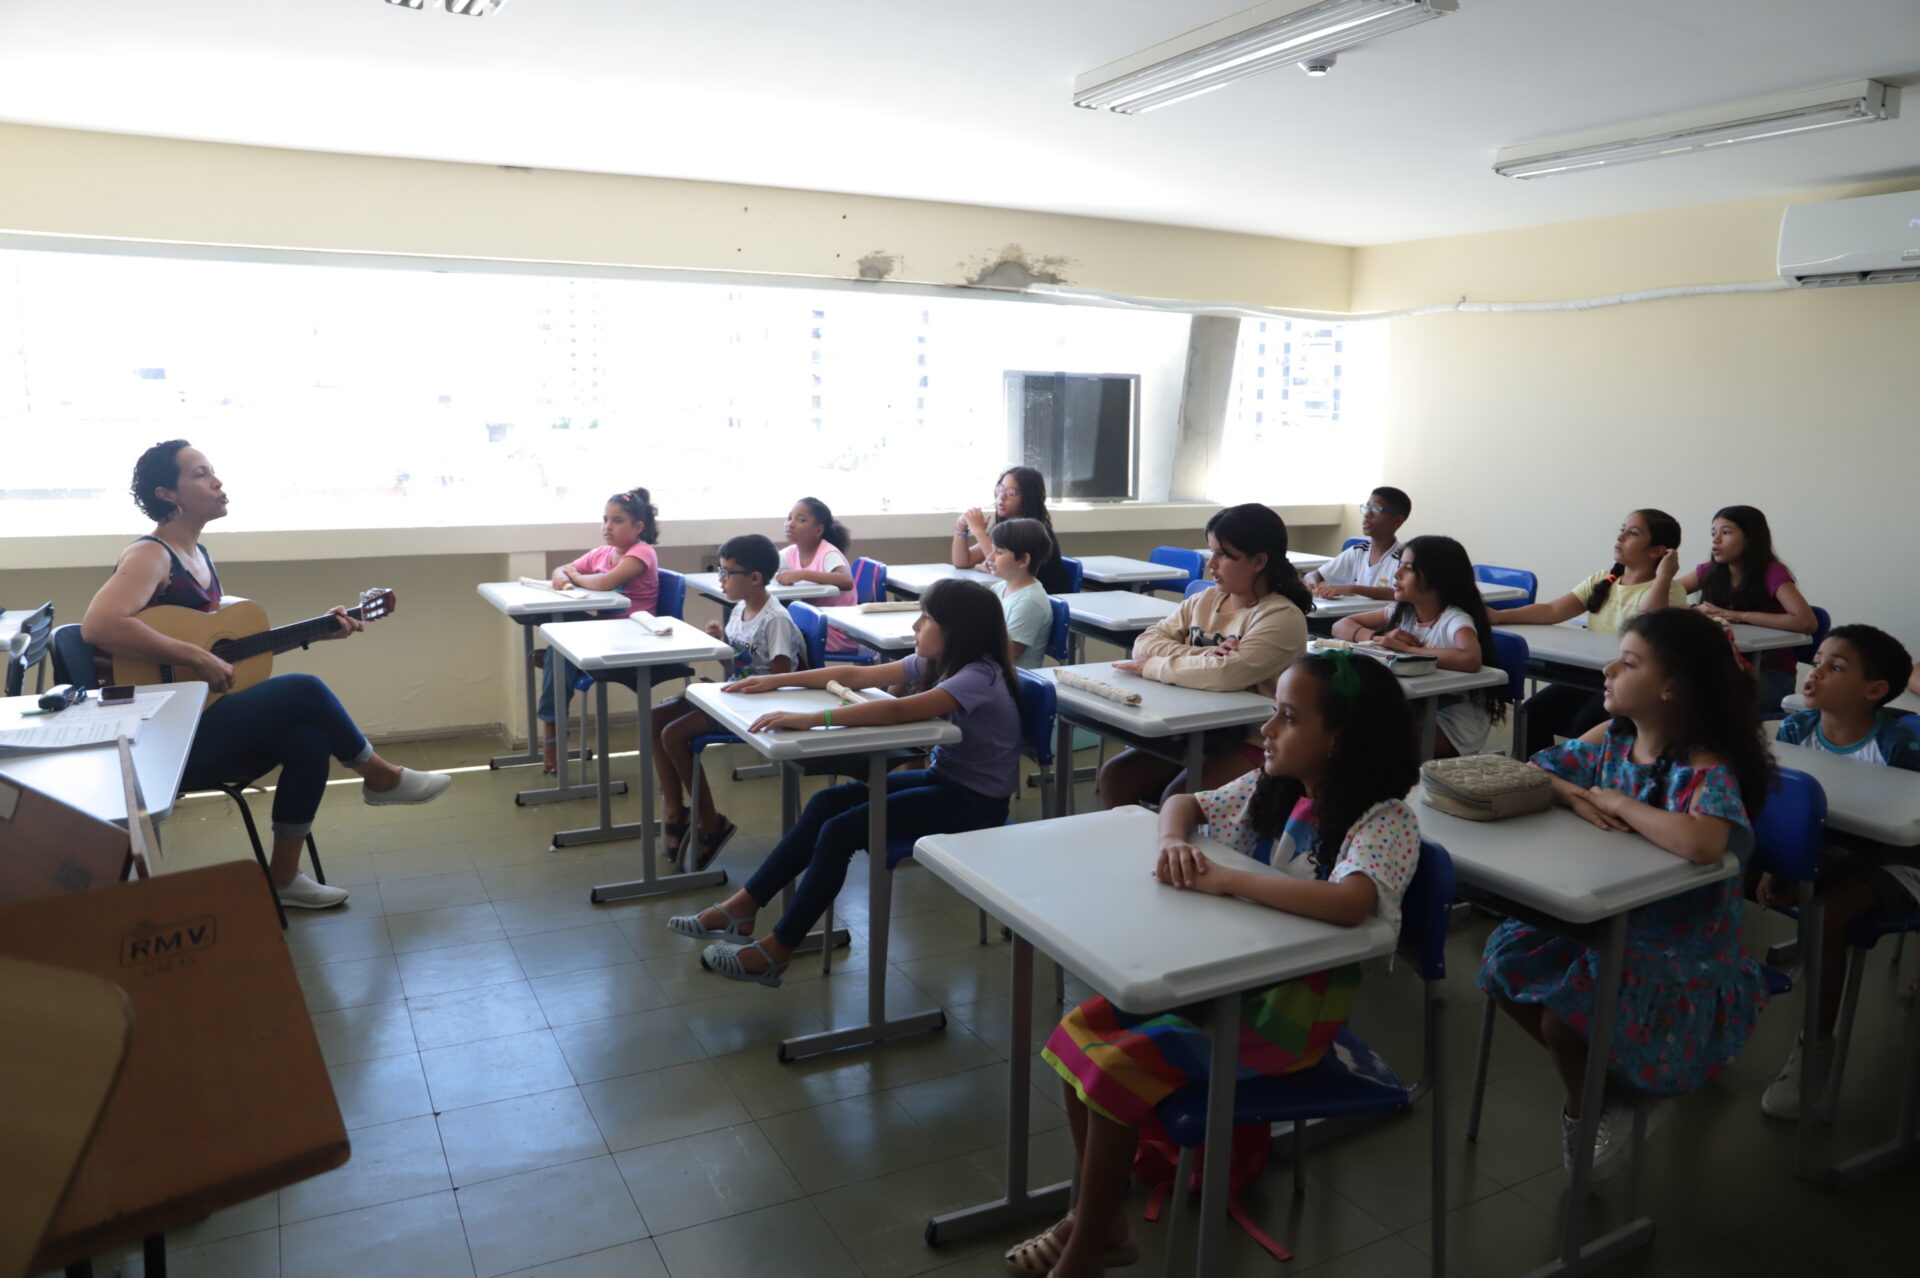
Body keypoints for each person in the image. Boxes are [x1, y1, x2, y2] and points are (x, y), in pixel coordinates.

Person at [1008, 652, 1421, 1278]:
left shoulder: (1385, 819)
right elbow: (1183, 804)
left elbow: (1350, 902)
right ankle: (1103, 1221)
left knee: (1113, 1067)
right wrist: (1174, 841)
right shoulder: (1278, 787)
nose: (1266, 730)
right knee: (1075, 1037)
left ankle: (1087, 1244)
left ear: (1339, 739)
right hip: (1227, 984)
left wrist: (1228, 880)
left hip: (1290, 1017)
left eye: (1287, 718)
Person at [82, 440, 452, 910]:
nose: (217, 481)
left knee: (308, 738)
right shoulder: (151, 556)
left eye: (212, 471)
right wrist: (196, 657)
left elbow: (227, 650)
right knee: (305, 689)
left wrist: (317, 632)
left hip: (200, 719)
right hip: (162, 737)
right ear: (167, 494)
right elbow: (99, 625)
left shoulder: (199, 555)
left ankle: (283, 877)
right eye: (199, 474)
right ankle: (381, 777)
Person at [1480, 608, 1770, 1182]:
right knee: (1501, 963)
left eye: (1629, 663)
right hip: (1608, 911)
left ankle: (1586, 1107)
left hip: (1678, 940)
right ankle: (1622, 1089)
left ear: (1671, 687)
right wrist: (1573, 794)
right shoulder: (1614, 738)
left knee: (1565, 1021)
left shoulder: (1702, 764)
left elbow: (1704, 841)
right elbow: (1538, 769)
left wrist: (1617, 802)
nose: (1608, 670)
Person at [664, 577, 1022, 985]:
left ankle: (777, 950)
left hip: (977, 803)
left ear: (958, 629)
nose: (915, 626)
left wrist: (813, 719)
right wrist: (777, 680)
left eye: (926, 618)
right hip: (948, 781)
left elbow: (897, 712)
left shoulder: (979, 676)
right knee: (827, 804)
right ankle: (743, 907)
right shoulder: (942, 663)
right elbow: (854, 675)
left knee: (840, 832)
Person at [1757, 625, 1920, 1118]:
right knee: (1715, 870)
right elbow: (1779, 812)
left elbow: (1901, 839)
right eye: (1819, 661)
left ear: (1874, 690)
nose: (1816, 672)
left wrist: (1813, 874)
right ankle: (1705, 1005)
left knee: (1826, 914)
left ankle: (1815, 1048)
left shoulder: (1897, 748)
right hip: (1822, 855)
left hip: (1896, 862)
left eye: (1836, 667)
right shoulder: (1796, 730)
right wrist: (1777, 863)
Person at [1097, 504, 1312, 809]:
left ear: (1259, 561)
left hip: (1256, 739)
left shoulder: (1280, 617)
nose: (1211, 563)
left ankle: (1175, 842)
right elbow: (1144, 644)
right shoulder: (1205, 599)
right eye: (1212, 552)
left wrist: (1153, 667)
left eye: (1224, 554)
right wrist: (1202, 654)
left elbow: (1226, 674)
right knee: (1116, 777)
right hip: (1198, 730)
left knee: (1179, 800)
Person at [650, 534, 806, 868]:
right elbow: (739, 665)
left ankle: (710, 821)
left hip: (755, 707)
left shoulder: (775, 620)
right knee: (654, 718)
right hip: (735, 695)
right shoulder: (739, 609)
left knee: (673, 734)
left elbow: (780, 681)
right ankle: (676, 810)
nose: (720, 579)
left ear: (755, 578)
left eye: (726, 572)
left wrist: (731, 688)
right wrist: (721, 646)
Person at [1498, 508, 1687, 756]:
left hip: (1628, 684)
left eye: (1632, 533)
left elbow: (1647, 628)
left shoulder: (1668, 590)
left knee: (1584, 726)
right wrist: (1498, 617)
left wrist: (1664, 576)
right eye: (1622, 530)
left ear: (1657, 551)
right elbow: (1552, 610)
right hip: (1588, 675)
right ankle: (1537, 776)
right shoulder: (1604, 579)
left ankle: (1577, 777)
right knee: (1532, 712)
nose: (1620, 537)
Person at [1331, 533, 1505, 755]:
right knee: (1348, 726)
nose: (1397, 574)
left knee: (1372, 740)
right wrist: (1377, 638)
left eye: (1408, 568)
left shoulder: (1453, 618)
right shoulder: (1404, 611)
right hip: (1417, 706)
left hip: (1454, 720)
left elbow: (1470, 658)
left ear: (1436, 577)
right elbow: (1341, 625)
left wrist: (1408, 650)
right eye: (1399, 565)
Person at [533, 487, 662, 772]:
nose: (607, 527)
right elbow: (561, 570)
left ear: (638, 527)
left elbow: (605, 582)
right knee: (556, 633)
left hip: (631, 635)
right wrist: (565, 574)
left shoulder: (642, 552)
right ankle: (553, 730)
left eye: (617, 520)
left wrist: (575, 577)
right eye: (605, 519)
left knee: (558, 646)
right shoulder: (603, 553)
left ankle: (552, 740)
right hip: (604, 632)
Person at [1653, 505, 1817, 713]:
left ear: (1750, 538)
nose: (1716, 540)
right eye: (1713, 533)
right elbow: (1661, 598)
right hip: (1720, 669)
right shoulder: (1709, 571)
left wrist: (1740, 615)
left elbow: (1806, 622)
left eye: (1726, 533)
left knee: (1695, 697)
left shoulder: (1772, 572)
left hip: (1769, 675)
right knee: (1660, 687)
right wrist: (1694, 609)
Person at [952, 466, 1071, 595]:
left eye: (1011, 493)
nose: (1001, 497)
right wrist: (961, 526)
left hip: (1041, 598)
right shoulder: (1006, 528)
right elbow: (962, 561)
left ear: (1029, 498)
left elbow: (1000, 567)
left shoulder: (1033, 531)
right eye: (1000, 489)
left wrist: (977, 530)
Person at [779, 496, 857, 651]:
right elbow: (769, 564)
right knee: (776, 622)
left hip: (838, 630)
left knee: (779, 632)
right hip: (815, 622)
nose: (790, 524)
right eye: (789, 518)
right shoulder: (792, 552)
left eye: (801, 520)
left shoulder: (828, 553)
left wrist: (803, 574)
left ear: (818, 530)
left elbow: (846, 581)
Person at [1305, 485, 1411, 601]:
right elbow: (1314, 575)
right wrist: (1311, 583)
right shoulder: (1358, 551)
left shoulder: (1402, 558)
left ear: (1397, 520)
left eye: (1376, 509)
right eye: (1367, 507)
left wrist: (1353, 589)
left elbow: (1400, 592)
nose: (1367, 514)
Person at [984, 517, 1054, 669]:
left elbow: (1007, 656)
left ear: (1022, 560)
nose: (990, 557)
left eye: (999, 552)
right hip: (990, 670)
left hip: (1010, 678)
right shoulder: (999, 588)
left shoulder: (1029, 601)